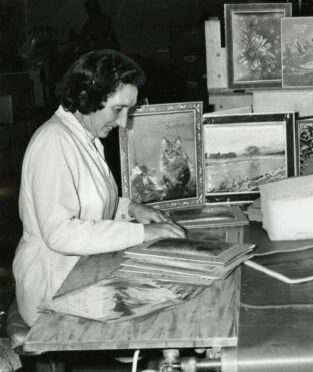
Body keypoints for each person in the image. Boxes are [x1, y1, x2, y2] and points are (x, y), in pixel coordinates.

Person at [13, 49, 186, 326]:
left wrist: (131, 208)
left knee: (169, 291)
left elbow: (87, 201)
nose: (123, 122)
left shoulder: (84, 137)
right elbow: (60, 233)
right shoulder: (53, 141)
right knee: (166, 307)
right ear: (86, 97)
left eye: (129, 110)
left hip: (80, 272)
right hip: (52, 286)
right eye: (118, 109)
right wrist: (141, 233)